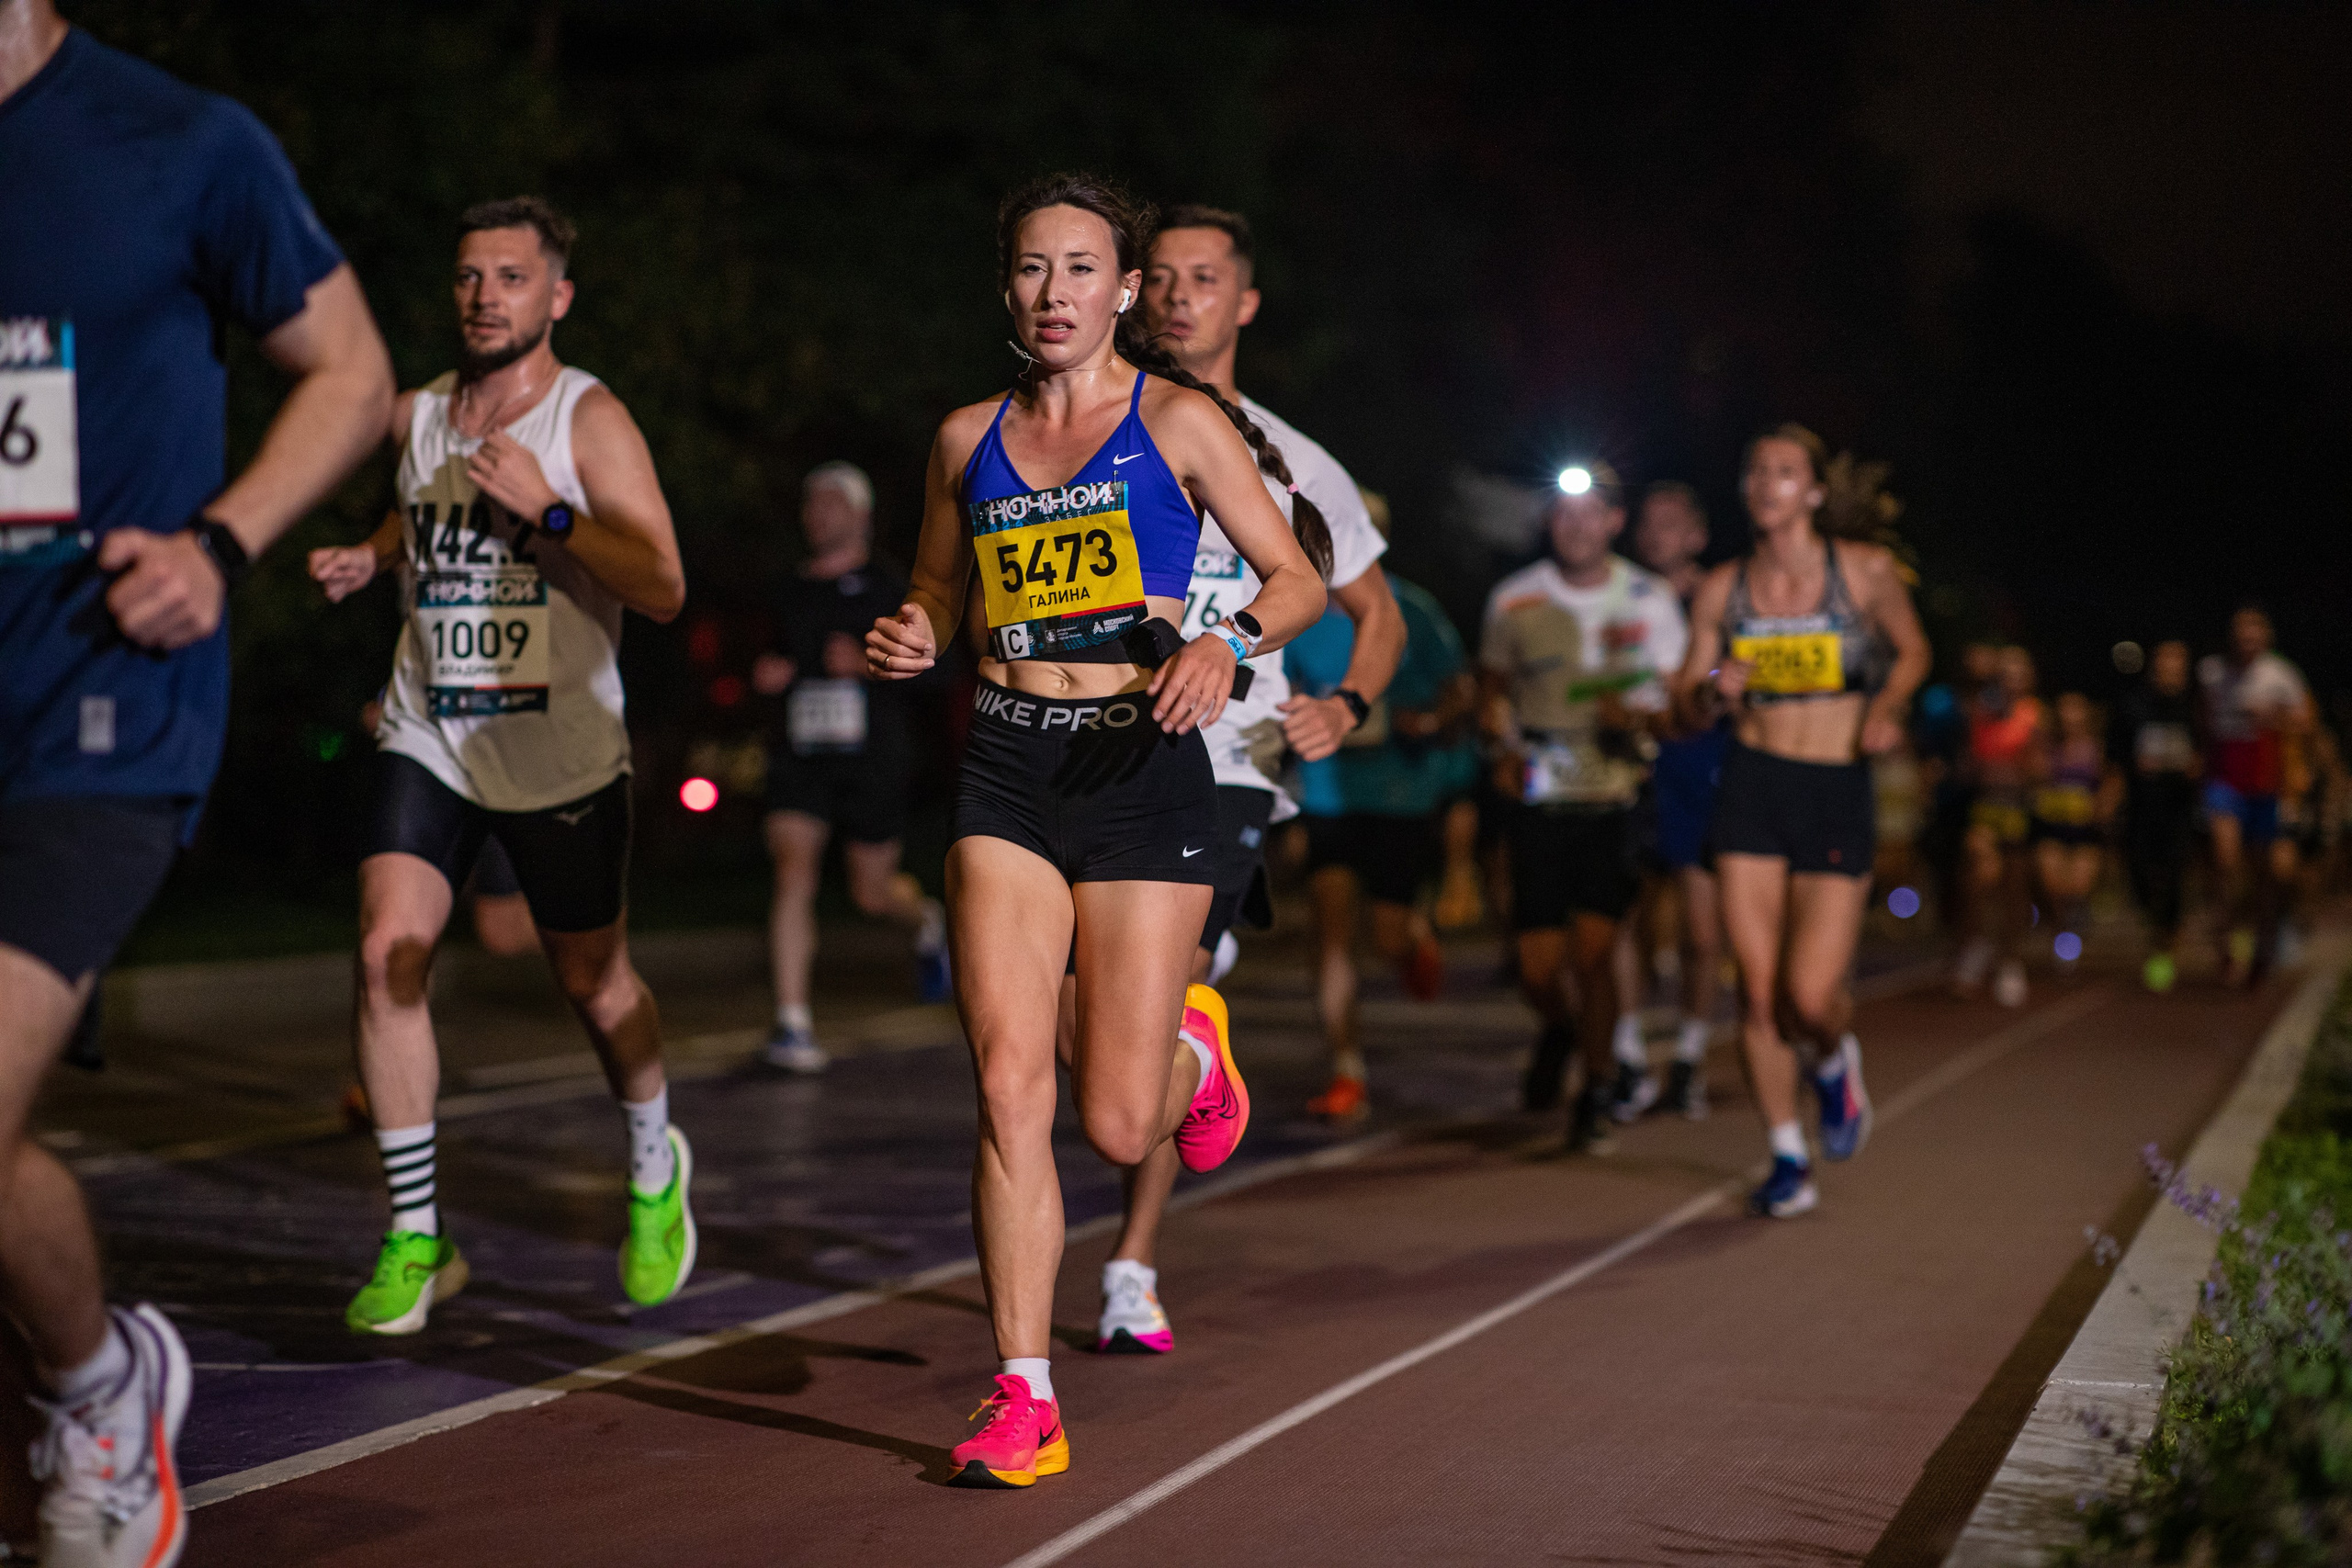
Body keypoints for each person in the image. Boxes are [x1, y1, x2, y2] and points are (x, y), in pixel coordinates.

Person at [0, 6, 394, 1562]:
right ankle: (101, 1361)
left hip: (101, 701)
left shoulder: (179, 144)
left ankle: (96, 1391)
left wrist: (219, 547)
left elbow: (352, 373)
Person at [865, 174, 1324, 1488]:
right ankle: (1025, 1393)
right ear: (1005, 287)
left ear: (1126, 290)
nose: (1053, 293)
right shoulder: (966, 438)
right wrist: (913, 632)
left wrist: (1225, 647)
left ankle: (1196, 1042)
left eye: (1080, 269)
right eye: (1030, 268)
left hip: (1143, 767)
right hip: (1009, 765)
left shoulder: (1177, 421)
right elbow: (938, 592)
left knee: (1122, 1126)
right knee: (1009, 1080)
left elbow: (1296, 576)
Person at [307, 197, 694, 1336]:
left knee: (593, 984)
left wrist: (556, 517)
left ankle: (652, 1163)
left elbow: (664, 586)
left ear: (557, 297)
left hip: (561, 751)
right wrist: (367, 557)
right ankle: (418, 1235)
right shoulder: (418, 411)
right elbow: (414, 510)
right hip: (430, 730)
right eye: (472, 277)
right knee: (387, 954)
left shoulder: (593, 420)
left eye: (512, 279)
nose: (486, 297)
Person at [1075, 204, 1402, 1357]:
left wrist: (1344, 703)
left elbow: (1377, 615)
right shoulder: (1094, 425)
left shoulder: (1295, 460)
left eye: (1200, 279)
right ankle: (1193, 1058)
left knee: (1160, 1000)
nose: (1174, 298)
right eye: (1156, 278)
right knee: (1087, 1021)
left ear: (1243, 302)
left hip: (1229, 762)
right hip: (1091, 743)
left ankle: (1130, 1267)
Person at [1672, 424, 1929, 1219]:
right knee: (1754, 995)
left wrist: (1886, 707)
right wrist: (1719, 682)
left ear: (1815, 491)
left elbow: (1914, 653)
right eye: (1755, 470)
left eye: (1784, 471)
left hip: (1833, 787)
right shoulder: (1724, 587)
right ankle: (1787, 1153)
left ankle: (1832, 1058)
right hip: (1752, 783)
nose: (1765, 482)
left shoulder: (1865, 573)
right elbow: (1686, 694)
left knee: (1808, 998)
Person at [1482, 463, 1688, 1152]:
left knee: (1597, 955)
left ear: (1614, 522)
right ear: (1550, 522)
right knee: (1538, 964)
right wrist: (1501, 742)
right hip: (1540, 791)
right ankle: (1564, 1029)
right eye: (1564, 514)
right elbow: (1492, 691)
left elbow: (1672, 708)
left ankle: (1596, 1084)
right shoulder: (1514, 601)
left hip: (1615, 794)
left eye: (1591, 513)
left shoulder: (1650, 600)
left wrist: (1631, 717)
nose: (1577, 526)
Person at [752, 460, 950, 1074]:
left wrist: (870, 665)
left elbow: (941, 673)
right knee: (793, 870)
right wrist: (767, 674)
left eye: (831, 503)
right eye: (811, 504)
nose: (818, 515)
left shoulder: (894, 589)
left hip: (872, 757)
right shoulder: (786, 588)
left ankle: (925, 920)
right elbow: (752, 659)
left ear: (860, 515)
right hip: (800, 756)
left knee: (871, 893)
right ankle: (791, 1021)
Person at [1287, 556, 1472, 1122]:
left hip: (1401, 793)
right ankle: (1347, 1070)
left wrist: (1429, 720)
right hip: (1328, 796)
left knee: (1385, 936)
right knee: (1333, 933)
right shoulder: (1300, 607)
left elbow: (1460, 691)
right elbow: (1280, 683)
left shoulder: (1411, 609)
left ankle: (1412, 936)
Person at [1623, 479, 1723, 1119]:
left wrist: (1694, 683)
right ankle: (1628, 1054)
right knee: (1629, 919)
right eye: (1649, 523)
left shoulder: (1724, 597)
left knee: (1701, 931)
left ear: (1697, 535)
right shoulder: (1618, 596)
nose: (1659, 534)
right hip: (1634, 767)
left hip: (1703, 769)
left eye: (1672, 523)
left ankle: (1689, 1054)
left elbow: (1733, 677)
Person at [2198, 605, 2312, 986]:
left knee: (2265, 872)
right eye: (2241, 634)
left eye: (2255, 634)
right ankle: (2225, 945)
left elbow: (2306, 722)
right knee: (2226, 859)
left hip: (2264, 780)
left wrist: (2274, 716)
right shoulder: (2212, 673)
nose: (2248, 641)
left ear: (2265, 637)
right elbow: (2200, 720)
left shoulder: (2281, 675)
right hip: (2226, 778)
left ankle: (2263, 945)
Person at [1953, 646, 2041, 1007]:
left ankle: (2010, 961)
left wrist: (2028, 763)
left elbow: (2040, 770)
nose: (2012, 678)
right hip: (1987, 806)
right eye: (2006, 671)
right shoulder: (1979, 711)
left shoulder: (2035, 716)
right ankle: (1977, 945)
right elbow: (1969, 761)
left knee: (2015, 889)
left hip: (2019, 808)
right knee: (1981, 877)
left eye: (2019, 671)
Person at [2113, 639, 2199, 992]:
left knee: (2176, 875)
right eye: (2164, 664)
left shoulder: (2197, 708)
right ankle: (2157, 928)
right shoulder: (2134, 706)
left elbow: (2209, 751)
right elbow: (2116, 753)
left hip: (2181, 809)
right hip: (2141, 807)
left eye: (2177, 665)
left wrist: (2196, 766)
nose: (2170, 672)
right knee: (2141, 877)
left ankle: (2166, 945)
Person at [2030, 691, 2115, 971]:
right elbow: (2034, 781)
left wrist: (2100, 806)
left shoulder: (2097, 748)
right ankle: (2062, 935)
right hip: (2053, 829)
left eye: (2076, 711)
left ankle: (2073, 933)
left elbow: (2111, 784)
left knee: (2077, 888)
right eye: (2064, 711)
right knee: (2053, 885)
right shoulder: (2048, 748)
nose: (2070, 717)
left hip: (2085, 833)